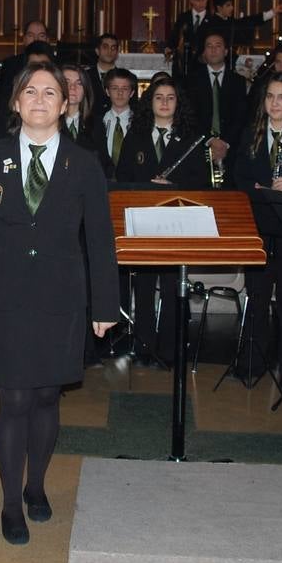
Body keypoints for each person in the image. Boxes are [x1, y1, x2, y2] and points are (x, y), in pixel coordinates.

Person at [0, 63, 119, 545]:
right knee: (14, 398)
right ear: (16, 102)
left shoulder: (84, 162)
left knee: (48, 396)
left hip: (60, 297)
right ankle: (10, 504)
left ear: (66, 104)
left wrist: (104, 306)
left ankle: (35, 486)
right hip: (2, 296)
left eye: (51, 92)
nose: (41, 99)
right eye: (31, 91)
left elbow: (102, 240)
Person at [116, 76, 208, 367]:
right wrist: (148, 183)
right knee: (143, 287)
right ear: (150, 102)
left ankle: (169, 350)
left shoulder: (192, 139)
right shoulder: (136, 136)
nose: (165, 102)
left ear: (178, 103)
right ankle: (144, 347)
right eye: (159, 97)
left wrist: (173, 184)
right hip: (143, 221)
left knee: (172, 287)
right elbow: (123, 177)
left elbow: (201, 183)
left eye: (170, 97)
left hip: (175, 223)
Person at [231, 72, 282, 390]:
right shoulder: (252, 133)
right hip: (260, 226)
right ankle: (252, 360)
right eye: (270, 97)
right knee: (258, 295)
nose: (275, 103)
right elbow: (237, 175)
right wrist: (253, 188)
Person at [185, 31, 248, 179]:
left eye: (218, 46)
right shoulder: (191, 81)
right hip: (200, 145)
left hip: (230, 146)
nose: (213, 49)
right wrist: (210, 140)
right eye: (209, 46)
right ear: (204, 52)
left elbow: (241, 116)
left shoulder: (238, 81)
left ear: (226, 51)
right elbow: (189, 115)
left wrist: (224, 143)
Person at [93, 67, 137, 176]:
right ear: (107, 91)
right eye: (114, 88)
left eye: (125, 88)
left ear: (132, 93)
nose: (120, 93)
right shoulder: (96, 122)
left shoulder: (140, 122)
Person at [85, 33, 120, 108]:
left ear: (117, 53)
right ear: (97, 51)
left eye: (113, 48)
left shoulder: (126, 77)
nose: (109, 51)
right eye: (105, 47)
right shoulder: (86, 76)